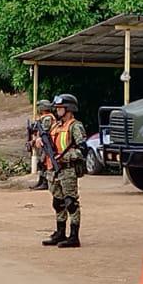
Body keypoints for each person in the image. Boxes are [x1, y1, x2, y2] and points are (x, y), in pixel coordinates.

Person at [43, 93, 88, 248]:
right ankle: (60, 232)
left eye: (60, 107)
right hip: (54, 170)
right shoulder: (55, 125)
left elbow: (83, 150)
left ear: (68, 108)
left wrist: (65, 156)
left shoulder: (75, 126)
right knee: (58, 202)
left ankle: (74, 236)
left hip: (67, 170)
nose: (57, 110)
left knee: (71, 202)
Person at [28, 99, 55, 190]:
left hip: (47, 143)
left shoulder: (48, 118)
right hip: (43, 143)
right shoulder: (43, 117)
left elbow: (45, 131)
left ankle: (45, 182)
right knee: (42, 162)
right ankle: (41, 181)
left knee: (44, 162)